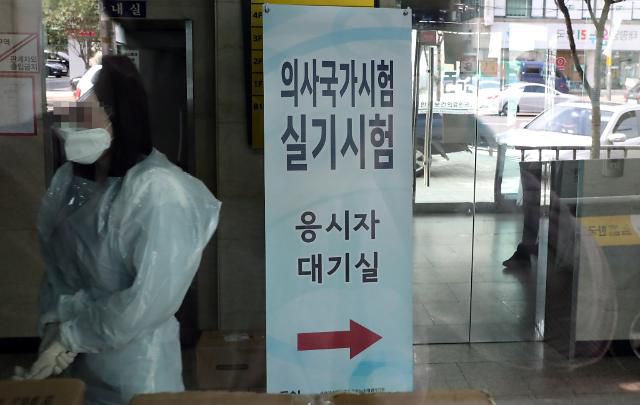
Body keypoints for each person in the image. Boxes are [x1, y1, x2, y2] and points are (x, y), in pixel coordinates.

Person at [21, 55, 221, 404]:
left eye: (85, 110)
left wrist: (71, 335)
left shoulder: (157, 190)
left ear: (119, 115)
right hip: (77, 367)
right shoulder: (71, 182)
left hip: (137, 373)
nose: (71, 120)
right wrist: (54, 325)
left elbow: (148, 302)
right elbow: (56, 270)